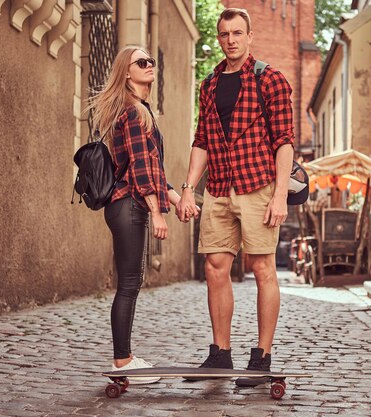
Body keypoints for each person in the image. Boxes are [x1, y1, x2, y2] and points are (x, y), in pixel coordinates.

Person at [177, 8, 295, 386]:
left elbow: (284, 143)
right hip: (219, 188)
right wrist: (187, 189)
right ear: (219, 37)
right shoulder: (209, 85)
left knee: (262, 268)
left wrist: (279, 195)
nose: (231, 39)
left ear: (249, 36)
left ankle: (261, 358)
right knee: (215, 267)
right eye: (225, 33)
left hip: (257, 185)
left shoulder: (270, 79)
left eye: (238, 33)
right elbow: (202, 142)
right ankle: (220, 355)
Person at [89, 46, 196, 383]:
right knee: (129, 283)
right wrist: (159, 213)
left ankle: (126, 357)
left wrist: (178, 199)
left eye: (151, 60)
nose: (149, 65)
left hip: (127, 204)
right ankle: (123, 361)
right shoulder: (133, 112)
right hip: (129, 204)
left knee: (131, 283)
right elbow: (139, 169)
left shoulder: (140, 110)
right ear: (126, 72)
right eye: (141, 62)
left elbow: (154, 169)